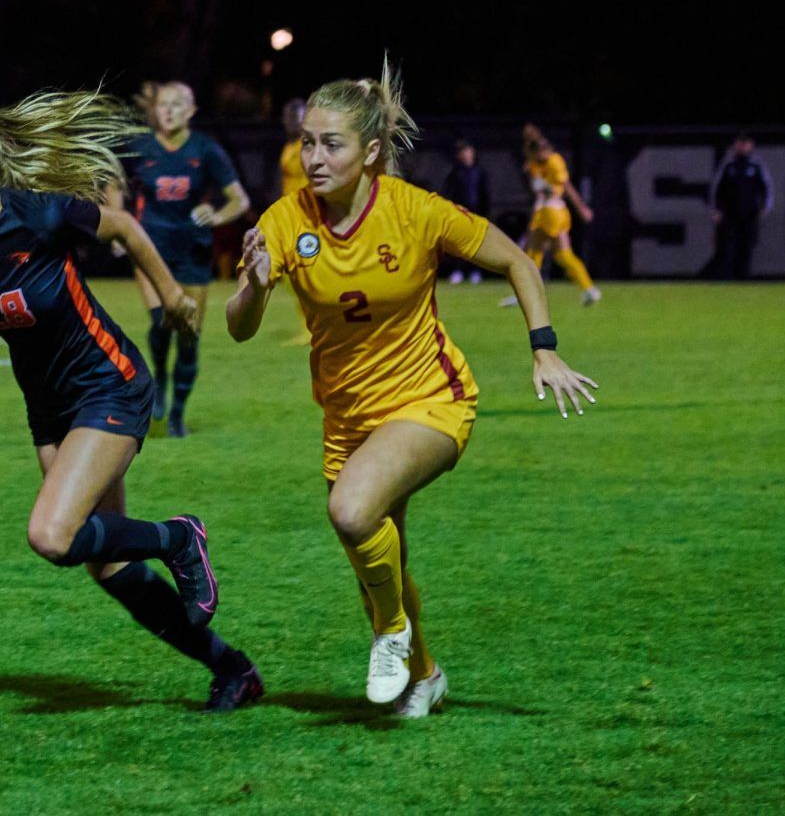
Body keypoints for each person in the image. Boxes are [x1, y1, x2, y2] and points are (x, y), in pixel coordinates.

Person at [0, 91, 263, 712]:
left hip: (109, 382)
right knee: (105, 564)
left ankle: (178, 538)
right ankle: (232, 669)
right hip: (49, 409)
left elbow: (128, 229)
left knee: (53, 536)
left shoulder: (39, 214)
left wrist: (174, 301)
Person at [226, 61, 597, 717]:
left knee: (350, 511)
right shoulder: (287, 220)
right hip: (348, 419)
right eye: (307, 141)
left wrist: (544, 348)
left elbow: (515, 258)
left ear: (371, 153)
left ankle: (392, 635)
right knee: (379, 563)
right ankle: (423, 673)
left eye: (330, 143)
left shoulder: (415, 211)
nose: (312, 156)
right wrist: (254, 284)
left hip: (432, 400)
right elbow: (239, 328)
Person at [120, 82, 250, 437]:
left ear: (192, 111)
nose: (169, 111)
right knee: (163, 320)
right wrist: (118, 222)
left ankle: (177, 414)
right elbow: (114, 183)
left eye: (178, 105)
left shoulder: (206, 150)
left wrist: (216, 215)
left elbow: (239, 200)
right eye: (164, 104)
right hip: (151, 249)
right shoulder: (141, 148)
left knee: (189, 333)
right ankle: (159, 379)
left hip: (193, 250)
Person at [500, 124, 600, 307]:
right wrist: (581, 208)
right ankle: (589, 289)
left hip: (549, 212)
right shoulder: (539, 162)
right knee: (563, 255)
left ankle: (524, 296)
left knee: (532, 254)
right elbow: (564, 186)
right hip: (559, 212)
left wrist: (580, 207)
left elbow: (554, 189)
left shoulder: (549, 162)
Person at [709, 133, 773, 281]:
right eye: (740, 143)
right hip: (729, 213)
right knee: (727, 248)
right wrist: (716, 210)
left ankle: (743, 279)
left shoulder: (756, 165)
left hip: (749, 213)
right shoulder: (728, 164)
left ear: (751, 145)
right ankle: (727, 279)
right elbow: (717, 189)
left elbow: (766, 187)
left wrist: (765, 206)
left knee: (746, 247)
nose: (742, 146)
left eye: (745, 143)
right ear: (735, 145)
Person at [276, 97, 313, 346]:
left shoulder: (310, 146)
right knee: (290, 274)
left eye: (296, 117)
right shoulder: (290, 146)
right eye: (288, 117)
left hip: (309, 216)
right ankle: (309, 326)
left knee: (303, 273)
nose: (291, 121)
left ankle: (313, 329)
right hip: (292, 217)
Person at [440, 138, 489, 285]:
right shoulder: (455, 172)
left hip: (477, 213)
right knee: (458, 244)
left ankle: (475, 271)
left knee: (476, 243)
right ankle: (458, 271)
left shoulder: (479, 172)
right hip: (460, 212)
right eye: (462, 152)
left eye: (467, 151)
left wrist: (485, 213)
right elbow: (448, 193)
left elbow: (485, 194)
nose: (465, 154)